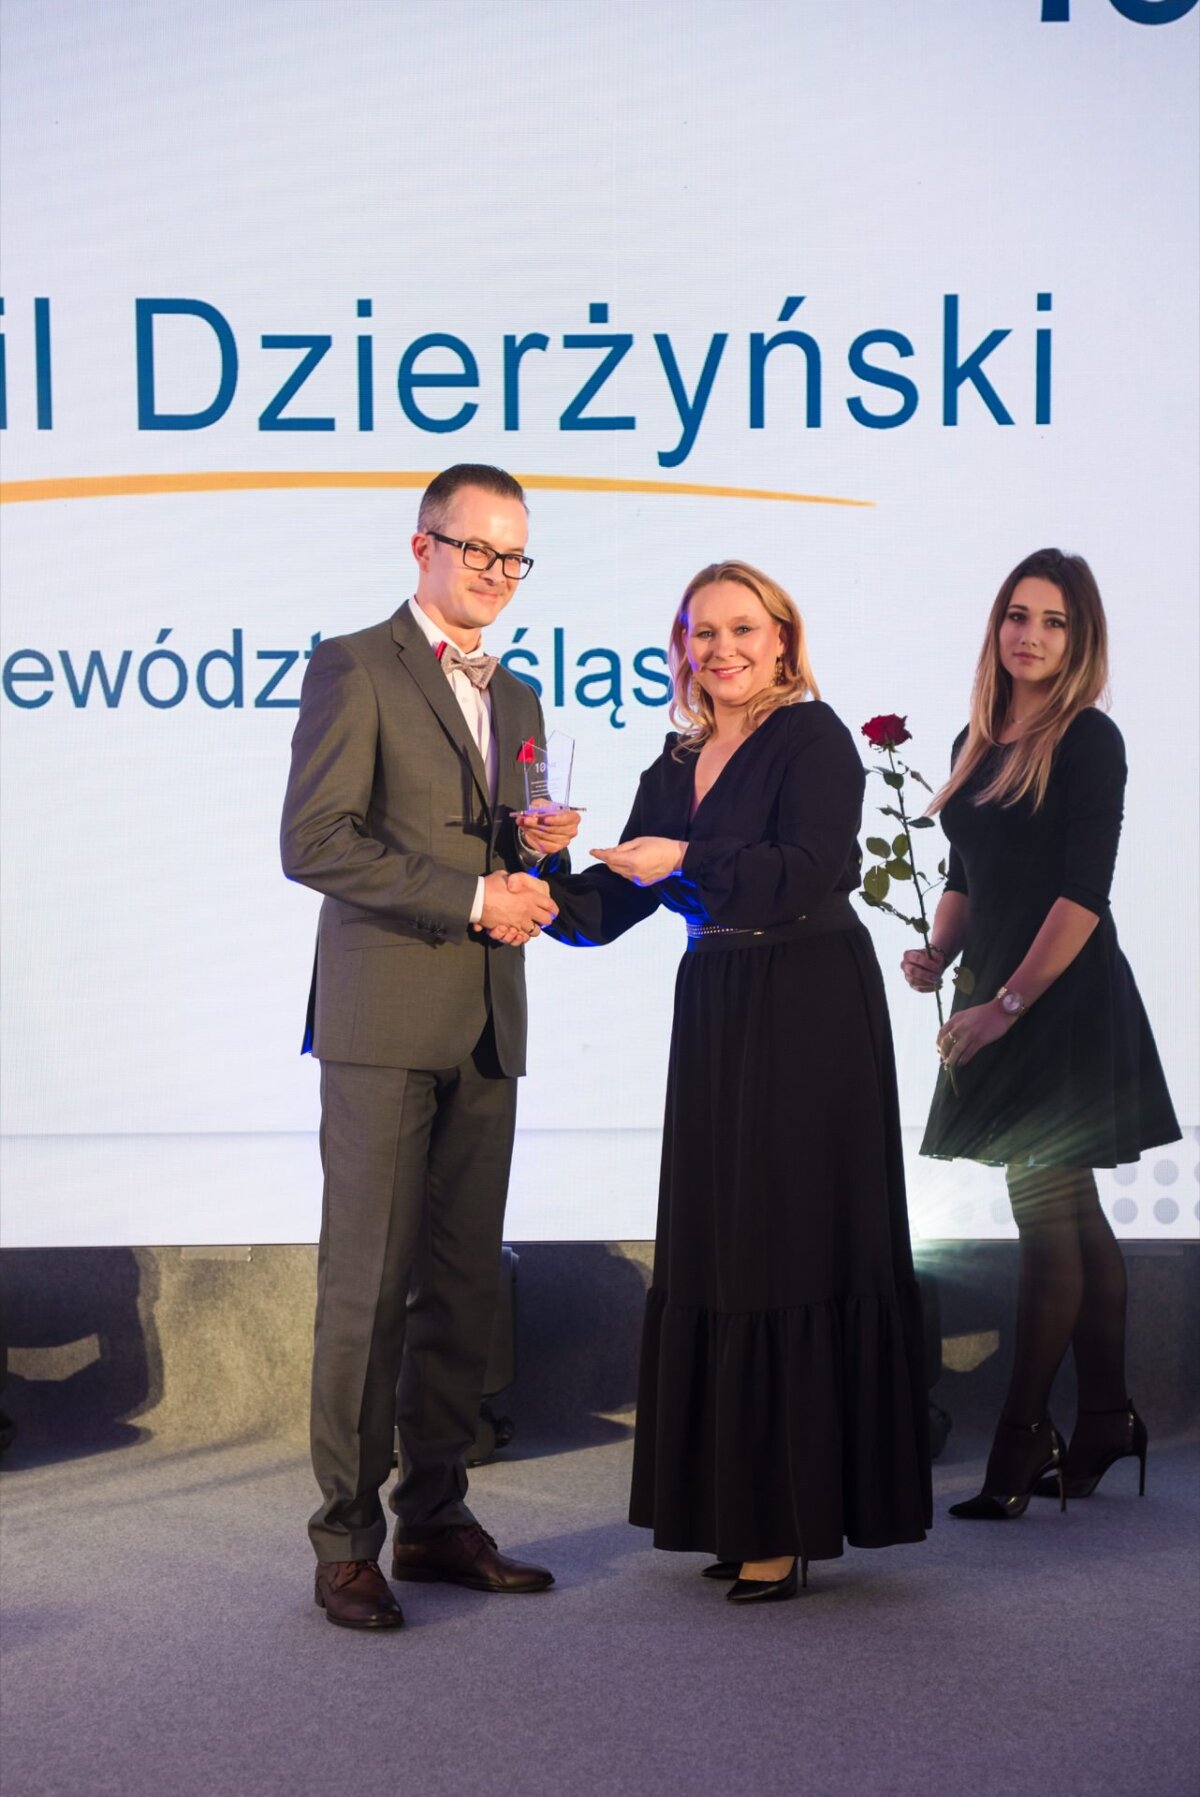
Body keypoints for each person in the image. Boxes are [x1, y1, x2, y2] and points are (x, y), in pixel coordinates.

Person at [544, 560, 932, 1603]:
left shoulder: (813, 737)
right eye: (700, 634)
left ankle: (789, 1517)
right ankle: (734, 1503)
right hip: (717, 1001)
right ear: (682, 651)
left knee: (789, 1240)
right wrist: (537, 874)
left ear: (781, 641)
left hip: (807, 998)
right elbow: (604, 909)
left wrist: (684, 857)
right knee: (725, 1244)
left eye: (741, 630)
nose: (721, 650)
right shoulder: (675, 758)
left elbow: (812, 868)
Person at [281, 464, 580, 1628]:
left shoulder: (520, 695)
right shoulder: (354, 663)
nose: (496, 577)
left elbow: (516, 850)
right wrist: (470, 897)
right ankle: (345, 1539)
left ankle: (438, 1519)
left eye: (514, 559)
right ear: (422, 547)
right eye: (477, 552)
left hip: (489, 1020)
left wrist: (537, 854)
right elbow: (317, 842)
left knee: (461, 1289)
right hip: (381, 1021)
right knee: (368, 1289)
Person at [903, 548, 1180, 1519]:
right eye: (1018, 614)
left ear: (1081, 638)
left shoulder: (1089, 740)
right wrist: (940, 954)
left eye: (1054, 620)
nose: (1031, 634)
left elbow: (1082, 898)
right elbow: (969, 878)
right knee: (1072, 1219)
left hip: (1060, 1008)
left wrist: (1002, 1007)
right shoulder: (971, 742)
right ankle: (1104, 1417)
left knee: (1047, 1223)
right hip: (996, 996)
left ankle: (1023, 1437)